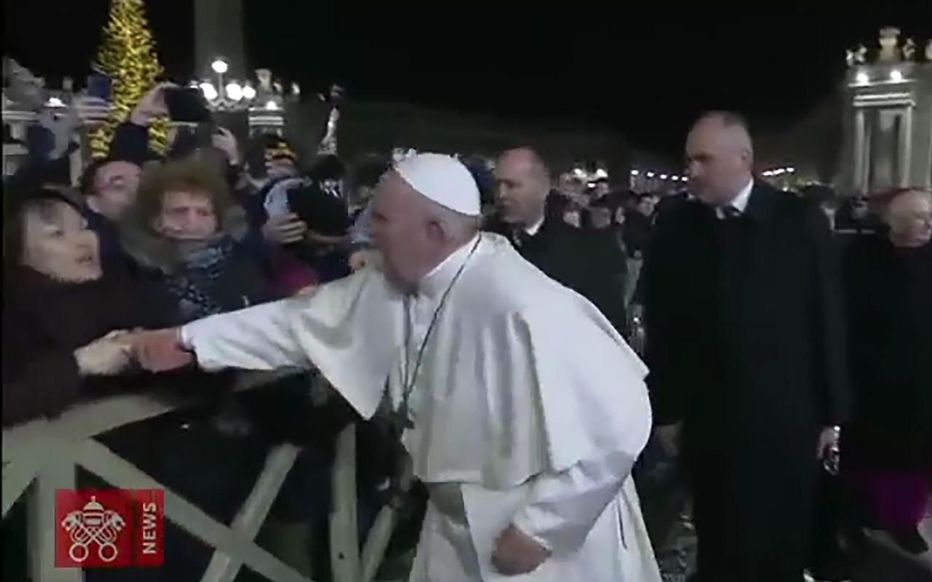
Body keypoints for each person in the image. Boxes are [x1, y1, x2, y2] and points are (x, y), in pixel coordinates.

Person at [132, 152, 661, 581]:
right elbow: (298, 322)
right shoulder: (396, 279)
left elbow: (620, 418)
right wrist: (189, 339)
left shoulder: (521, 299)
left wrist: (544, 528)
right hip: (453, 521)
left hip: (539, 536)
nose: (368, 232)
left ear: (434, 229)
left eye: (381, 219)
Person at [641, 112, 850, 582]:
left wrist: (832, 414)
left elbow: (827, 317)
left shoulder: (799, 221)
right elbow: (664, 327)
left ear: (743, 159)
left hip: (787, 417)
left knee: (781, 539)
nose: (692, 171)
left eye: (704, 159)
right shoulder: (676, 227)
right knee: (718, 536)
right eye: (689, 159)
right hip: (708, 418)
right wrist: (665, 410)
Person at [843, 187, 932, 555]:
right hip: (868, 378)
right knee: (866, 454)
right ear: (893, 222)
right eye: (919, 216)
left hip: (922, 380)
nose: (929, 223)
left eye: (930, 215)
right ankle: (855, 516)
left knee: (913, 457)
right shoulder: (861, 257)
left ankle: (903, 521)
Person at [487, 147, 629, 335]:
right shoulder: (480, 243)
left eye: (511, 185)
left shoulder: (590, 252)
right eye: (497, 185)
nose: (501, 194)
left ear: (543, 188)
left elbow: (608, 327)